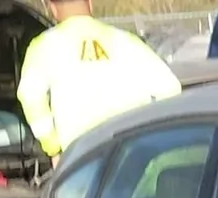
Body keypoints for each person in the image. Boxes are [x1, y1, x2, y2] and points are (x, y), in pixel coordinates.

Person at [17, 0, 182, 161]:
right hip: (134, 151)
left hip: (82, 157)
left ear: (52, 8)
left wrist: (53, 147)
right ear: (90, 3)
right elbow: (170, 88)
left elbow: (30, 97)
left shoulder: (43, 46)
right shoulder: (125, 40)